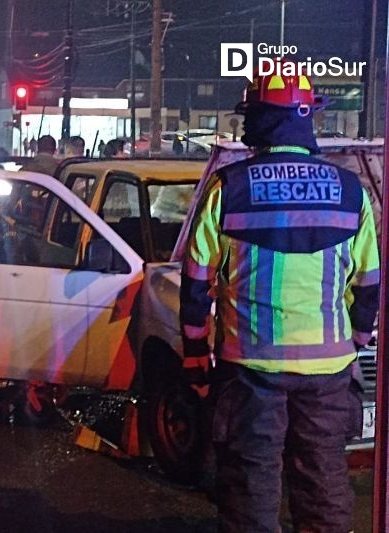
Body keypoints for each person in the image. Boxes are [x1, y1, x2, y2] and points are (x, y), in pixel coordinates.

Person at [179, 72, 379, 533]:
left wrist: (194, 356)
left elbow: (195, 282)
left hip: (250, 367)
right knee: (324, 481)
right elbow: (369, 281)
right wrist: (357, 339)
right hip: (329, 371)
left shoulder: (229, 188)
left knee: (251, 483)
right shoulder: (351, 192)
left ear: (259, 122)